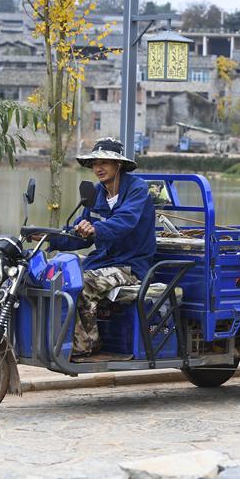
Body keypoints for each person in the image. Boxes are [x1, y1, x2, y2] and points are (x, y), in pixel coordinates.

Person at [49, 137, 156, 357]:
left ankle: (86, 344)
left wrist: (95, 229)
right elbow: (81, 235)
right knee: (56, 274)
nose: (98, 168)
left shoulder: (137, 189)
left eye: (104, 162)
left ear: (119, 164)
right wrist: (50, 238)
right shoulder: (97, 192)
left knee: (83, 284)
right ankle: (59, 339)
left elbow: (124, 222)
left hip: (130, 266)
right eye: (95, 163)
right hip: (102, 261)